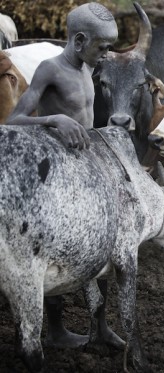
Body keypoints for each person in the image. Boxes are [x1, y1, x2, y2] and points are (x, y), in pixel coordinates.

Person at [6, 2, 120, 349]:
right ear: (80, 40)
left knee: (105, 244)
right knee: (54, 249)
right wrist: (53, 120)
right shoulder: (49, 69)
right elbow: (12, 122)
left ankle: (99, 326)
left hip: (85, 167)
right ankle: (54, 331)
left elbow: (87, 118)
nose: (106, 53)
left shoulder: (88, 67)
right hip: (56, 174)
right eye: (103, 47)